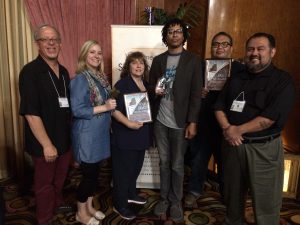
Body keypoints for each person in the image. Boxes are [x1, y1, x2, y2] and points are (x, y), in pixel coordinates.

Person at [214, 32, 296, 225]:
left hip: (263, 149)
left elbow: (268, 119)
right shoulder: (236, 77)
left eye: (261, 49)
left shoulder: (283, 80)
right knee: (232, 195)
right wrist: (227, 129)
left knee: (266, 199)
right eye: (251, 49)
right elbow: (218, 106)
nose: (254, 53)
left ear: (272, 51)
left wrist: (237, 130)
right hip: (233, 146)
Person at [149, 18, 202, 222]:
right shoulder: (159, 60)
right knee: (164, 163)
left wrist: (193, 121)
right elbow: (151, 87)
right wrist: (155, 91)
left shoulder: (193, 60)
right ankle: (163, 198)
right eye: (170, 32)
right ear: (166, 36)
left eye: (178, 31)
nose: (174, 34)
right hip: (160, 121)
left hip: (180, 122)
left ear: (183, 36)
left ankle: (175, 201)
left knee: (177, 165)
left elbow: (196, 94)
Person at [19, 24, 72, 225]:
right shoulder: (30, 72)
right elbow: (31, 114)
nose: (51, 43)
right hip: (44, 143)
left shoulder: (65, 72)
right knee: (44, 184)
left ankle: (56, 204)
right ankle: (44, 218)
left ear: (60, 43)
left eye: (54, 39)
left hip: (64, 140)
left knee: (59, 180)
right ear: (37, 44)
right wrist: (47, 144)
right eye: (45, 39)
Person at [185, 32, 244, 206]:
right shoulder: (202, 66)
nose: (220, 47)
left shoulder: (240, 68)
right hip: (204, 122)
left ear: (231, 48)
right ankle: (194, 191)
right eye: (216, 44)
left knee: (226, 163)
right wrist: (198, 91)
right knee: (198, 160)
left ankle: (227, 194)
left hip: (228, 125)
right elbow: (187, 91)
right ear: (211, 47)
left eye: (224, 44)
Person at [70, 40, 116, 225]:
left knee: (95, 175)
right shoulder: (80, 79)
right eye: (92, 52)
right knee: (88, 177)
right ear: (84, 56)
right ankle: (80, 213)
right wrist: (104, 107)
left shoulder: (101, 78)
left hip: (100, 134)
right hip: (87, 135)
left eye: (99, 52)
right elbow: (77, 110)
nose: (96, 56)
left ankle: (89, 207)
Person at [111, 51, 151, 220]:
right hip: (125, 136)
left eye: (141, 63)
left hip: (141, 136)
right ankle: (119, 204)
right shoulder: (121, 84)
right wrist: (128, 123)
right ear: (128, 66)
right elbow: (112, 109)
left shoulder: (146, 84)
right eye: (134, 63)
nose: (138, 66)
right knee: (122, 172)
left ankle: (131, 194)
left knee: (135, 169)